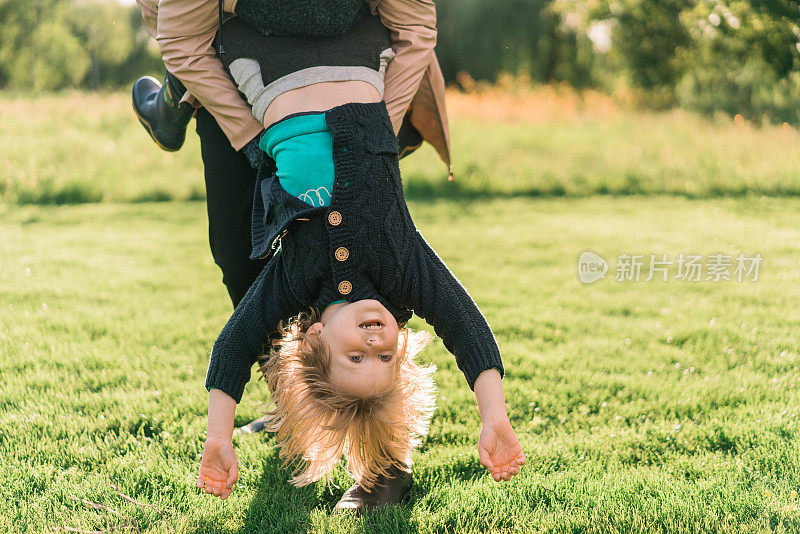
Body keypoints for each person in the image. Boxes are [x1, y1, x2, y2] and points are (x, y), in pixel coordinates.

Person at [193, 8, 526, 511]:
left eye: (356, 356)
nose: (375, 342)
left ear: (315, 338)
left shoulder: (295, 280)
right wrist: (493, 413)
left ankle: (174, 98)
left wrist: (219, 434)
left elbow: (235, 344)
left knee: (245, 15)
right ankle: (172, 99)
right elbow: (466, 327)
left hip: (267, 60)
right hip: (355, 50)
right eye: (386, 356)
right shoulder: (404, 269)